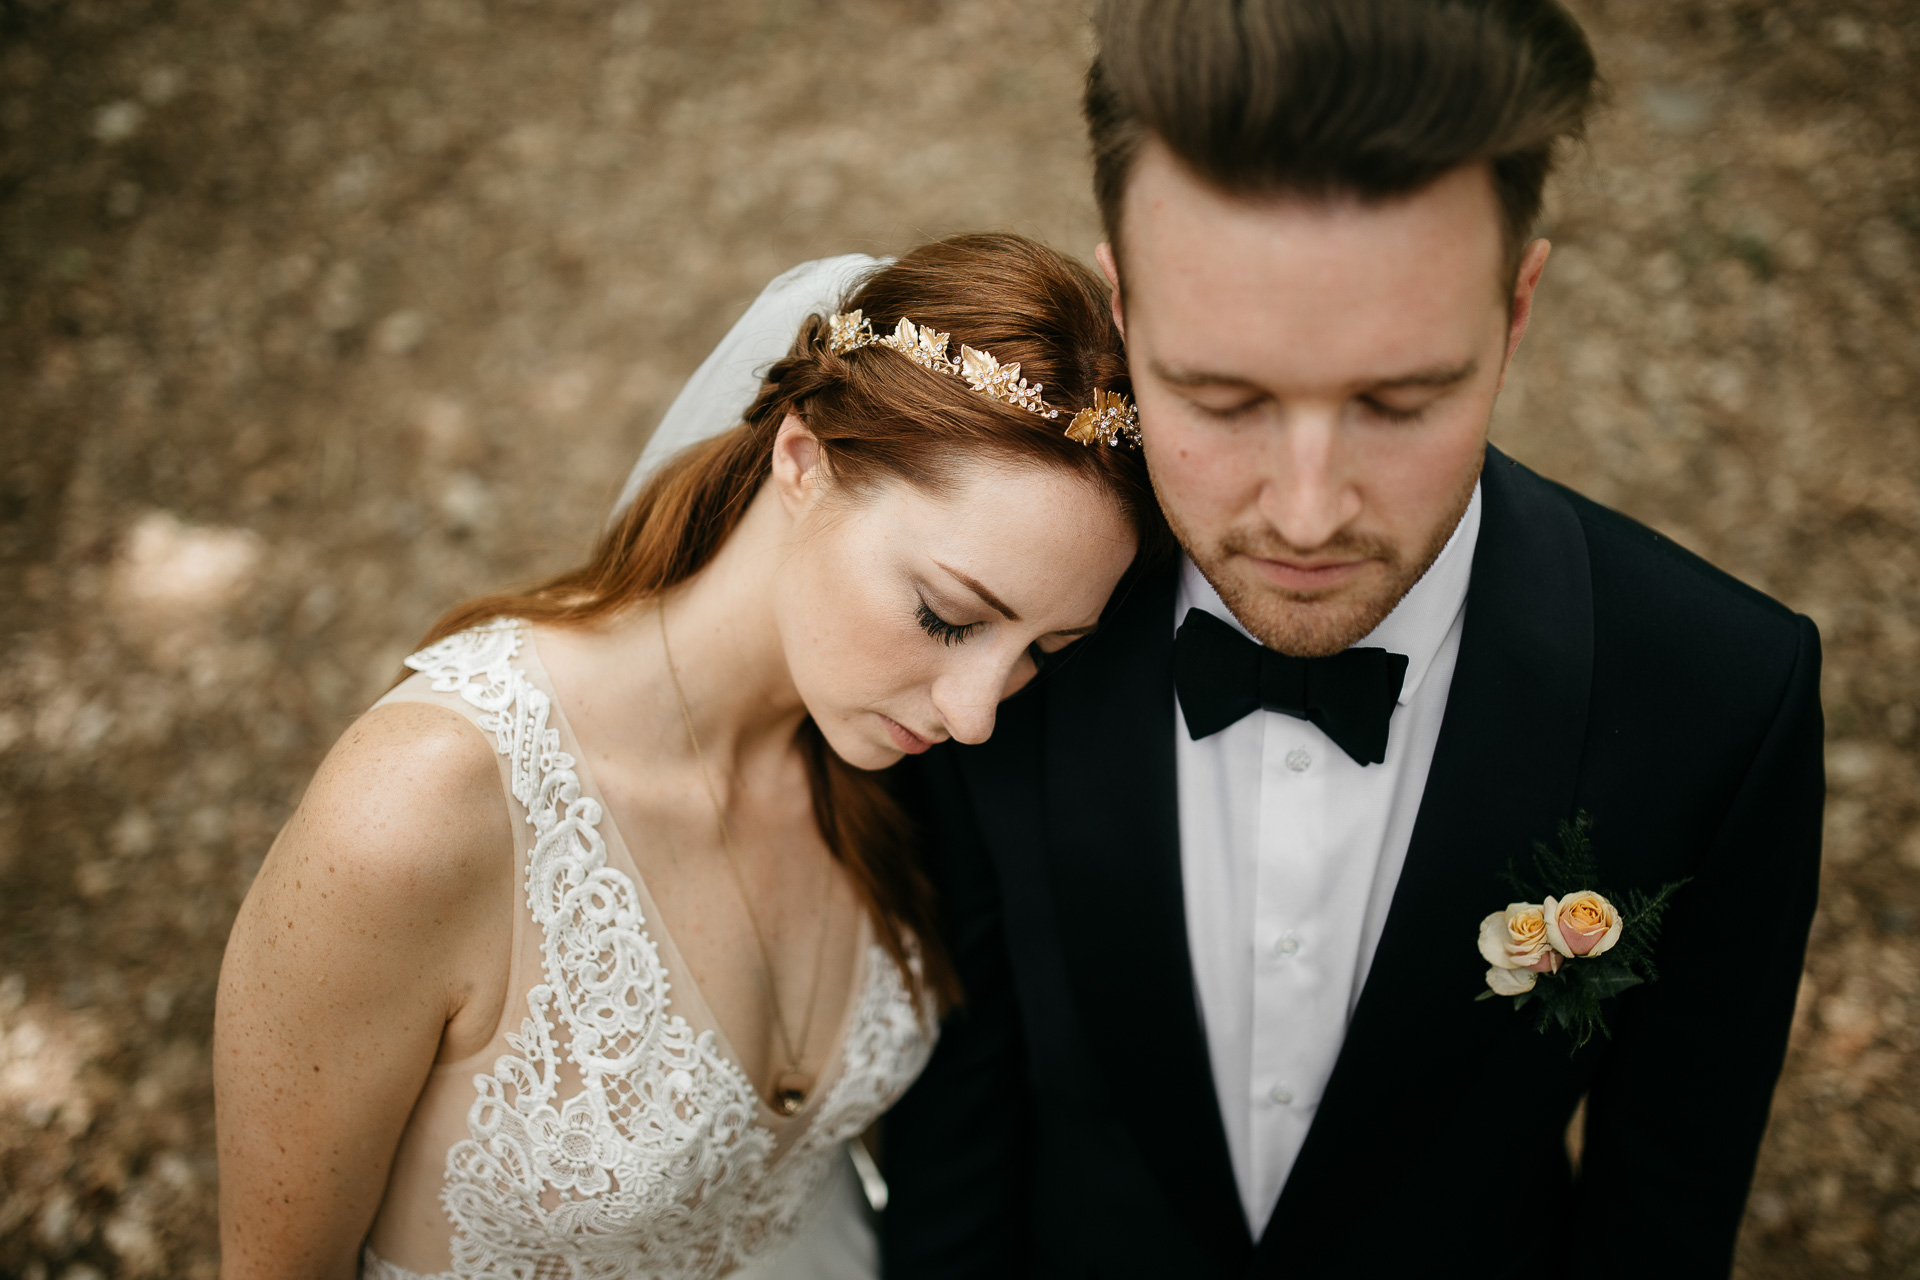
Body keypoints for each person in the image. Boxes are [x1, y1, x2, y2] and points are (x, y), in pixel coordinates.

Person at [637, 2, 1826, 1276]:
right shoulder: (1015, 635)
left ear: (1517, 309)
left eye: (1400, 399)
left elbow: (1665, 1210)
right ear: (1125, 308)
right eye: (1219, 395)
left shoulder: (1721, 700)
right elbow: (960, 1136)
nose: (1306, 514)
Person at [212, 233, 1164, 1279]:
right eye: (945, 615)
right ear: (801, 459)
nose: (978, 713)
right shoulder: (421, 808)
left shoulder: (897, 776)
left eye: (1042, 651)